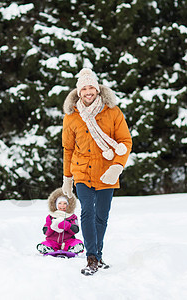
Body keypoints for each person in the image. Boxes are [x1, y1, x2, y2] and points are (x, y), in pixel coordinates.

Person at [61, 68, 132, 275]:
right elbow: (68, 149)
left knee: (102, 216)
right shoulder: (72, 116)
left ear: (98, 89)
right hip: (82, 172)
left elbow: (125, 141)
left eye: (91, 87)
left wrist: (117, 167)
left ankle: (98, 256)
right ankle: (91, 257)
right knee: (87, 212)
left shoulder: (112, 112)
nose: (88, 91)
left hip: (106, 173)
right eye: (84, 88)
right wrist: (67, 178)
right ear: (79, 91)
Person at [37, 188, 84, 255]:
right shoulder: (50, 216)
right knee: (47, 243)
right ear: (56, 205)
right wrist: (51, 227)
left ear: (68, 205)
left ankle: (74, 248)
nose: (62, 205)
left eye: (65, 203)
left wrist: (67, 225)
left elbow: (75, 230)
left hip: (68, 241)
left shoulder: (72, 216)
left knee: (76, 242)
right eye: (60, 203)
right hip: (53, 240)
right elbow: (46, 232)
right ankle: (47, 248)